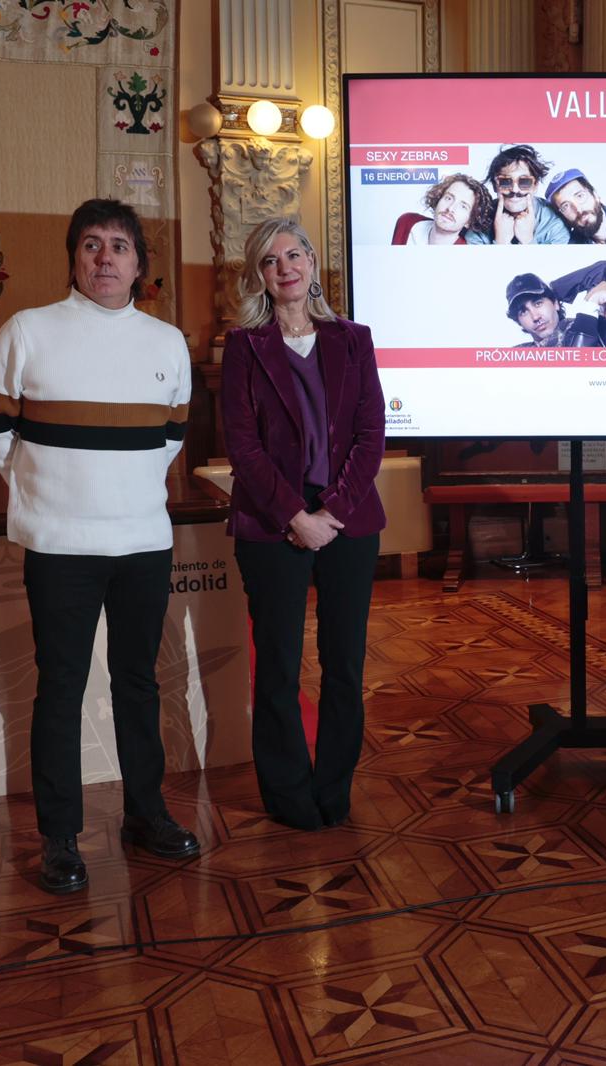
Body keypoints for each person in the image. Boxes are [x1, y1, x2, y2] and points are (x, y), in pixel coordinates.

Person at [0, 198, 198, 894]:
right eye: (92, 245)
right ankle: (60, 838)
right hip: (59, 545)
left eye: (120, 247)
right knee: (61, 686)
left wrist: (120, 486)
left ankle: (146, 813)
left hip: (142, 542)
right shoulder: (28, 330)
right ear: (74, 257)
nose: (106, 258)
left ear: (138, 265)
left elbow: (171, 438)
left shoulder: (166, 342)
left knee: (138, 681)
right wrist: (50, 491)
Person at [221, 217, 388, 831]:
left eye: (293, 255)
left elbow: (371, 434)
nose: (284, 268)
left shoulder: (353, 339)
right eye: (270, 261)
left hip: (349, 521)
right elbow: (242, 445)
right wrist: (296, 515)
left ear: (313, 262)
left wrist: (331, 512)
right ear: (258, 276)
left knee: (345, 666)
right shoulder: (244, 346)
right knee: (278, 667)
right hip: (273, 523)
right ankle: (288, 794)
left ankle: (333, 788)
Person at [466, 144, 571, 245]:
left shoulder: (555, 225)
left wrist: (528, 241)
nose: (515, 190)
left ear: (535, 186)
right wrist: (501, 242)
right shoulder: (479, 221)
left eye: (525, 182)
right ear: (494, 186)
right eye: (505, 182)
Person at [506, 272, 600, 347]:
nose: (535, 317)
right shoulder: (518, 355)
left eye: (538, 304)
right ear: (519, 321)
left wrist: (556, 287)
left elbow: (605, 269)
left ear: (555, 303)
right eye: (523, 312)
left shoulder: (587, 329)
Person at [401, 173, 493, 246]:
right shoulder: (407, 222)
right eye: (449, 198)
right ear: (438, 198)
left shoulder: (467, 253)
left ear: (469, 221)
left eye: (463, 206)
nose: (450, 208)